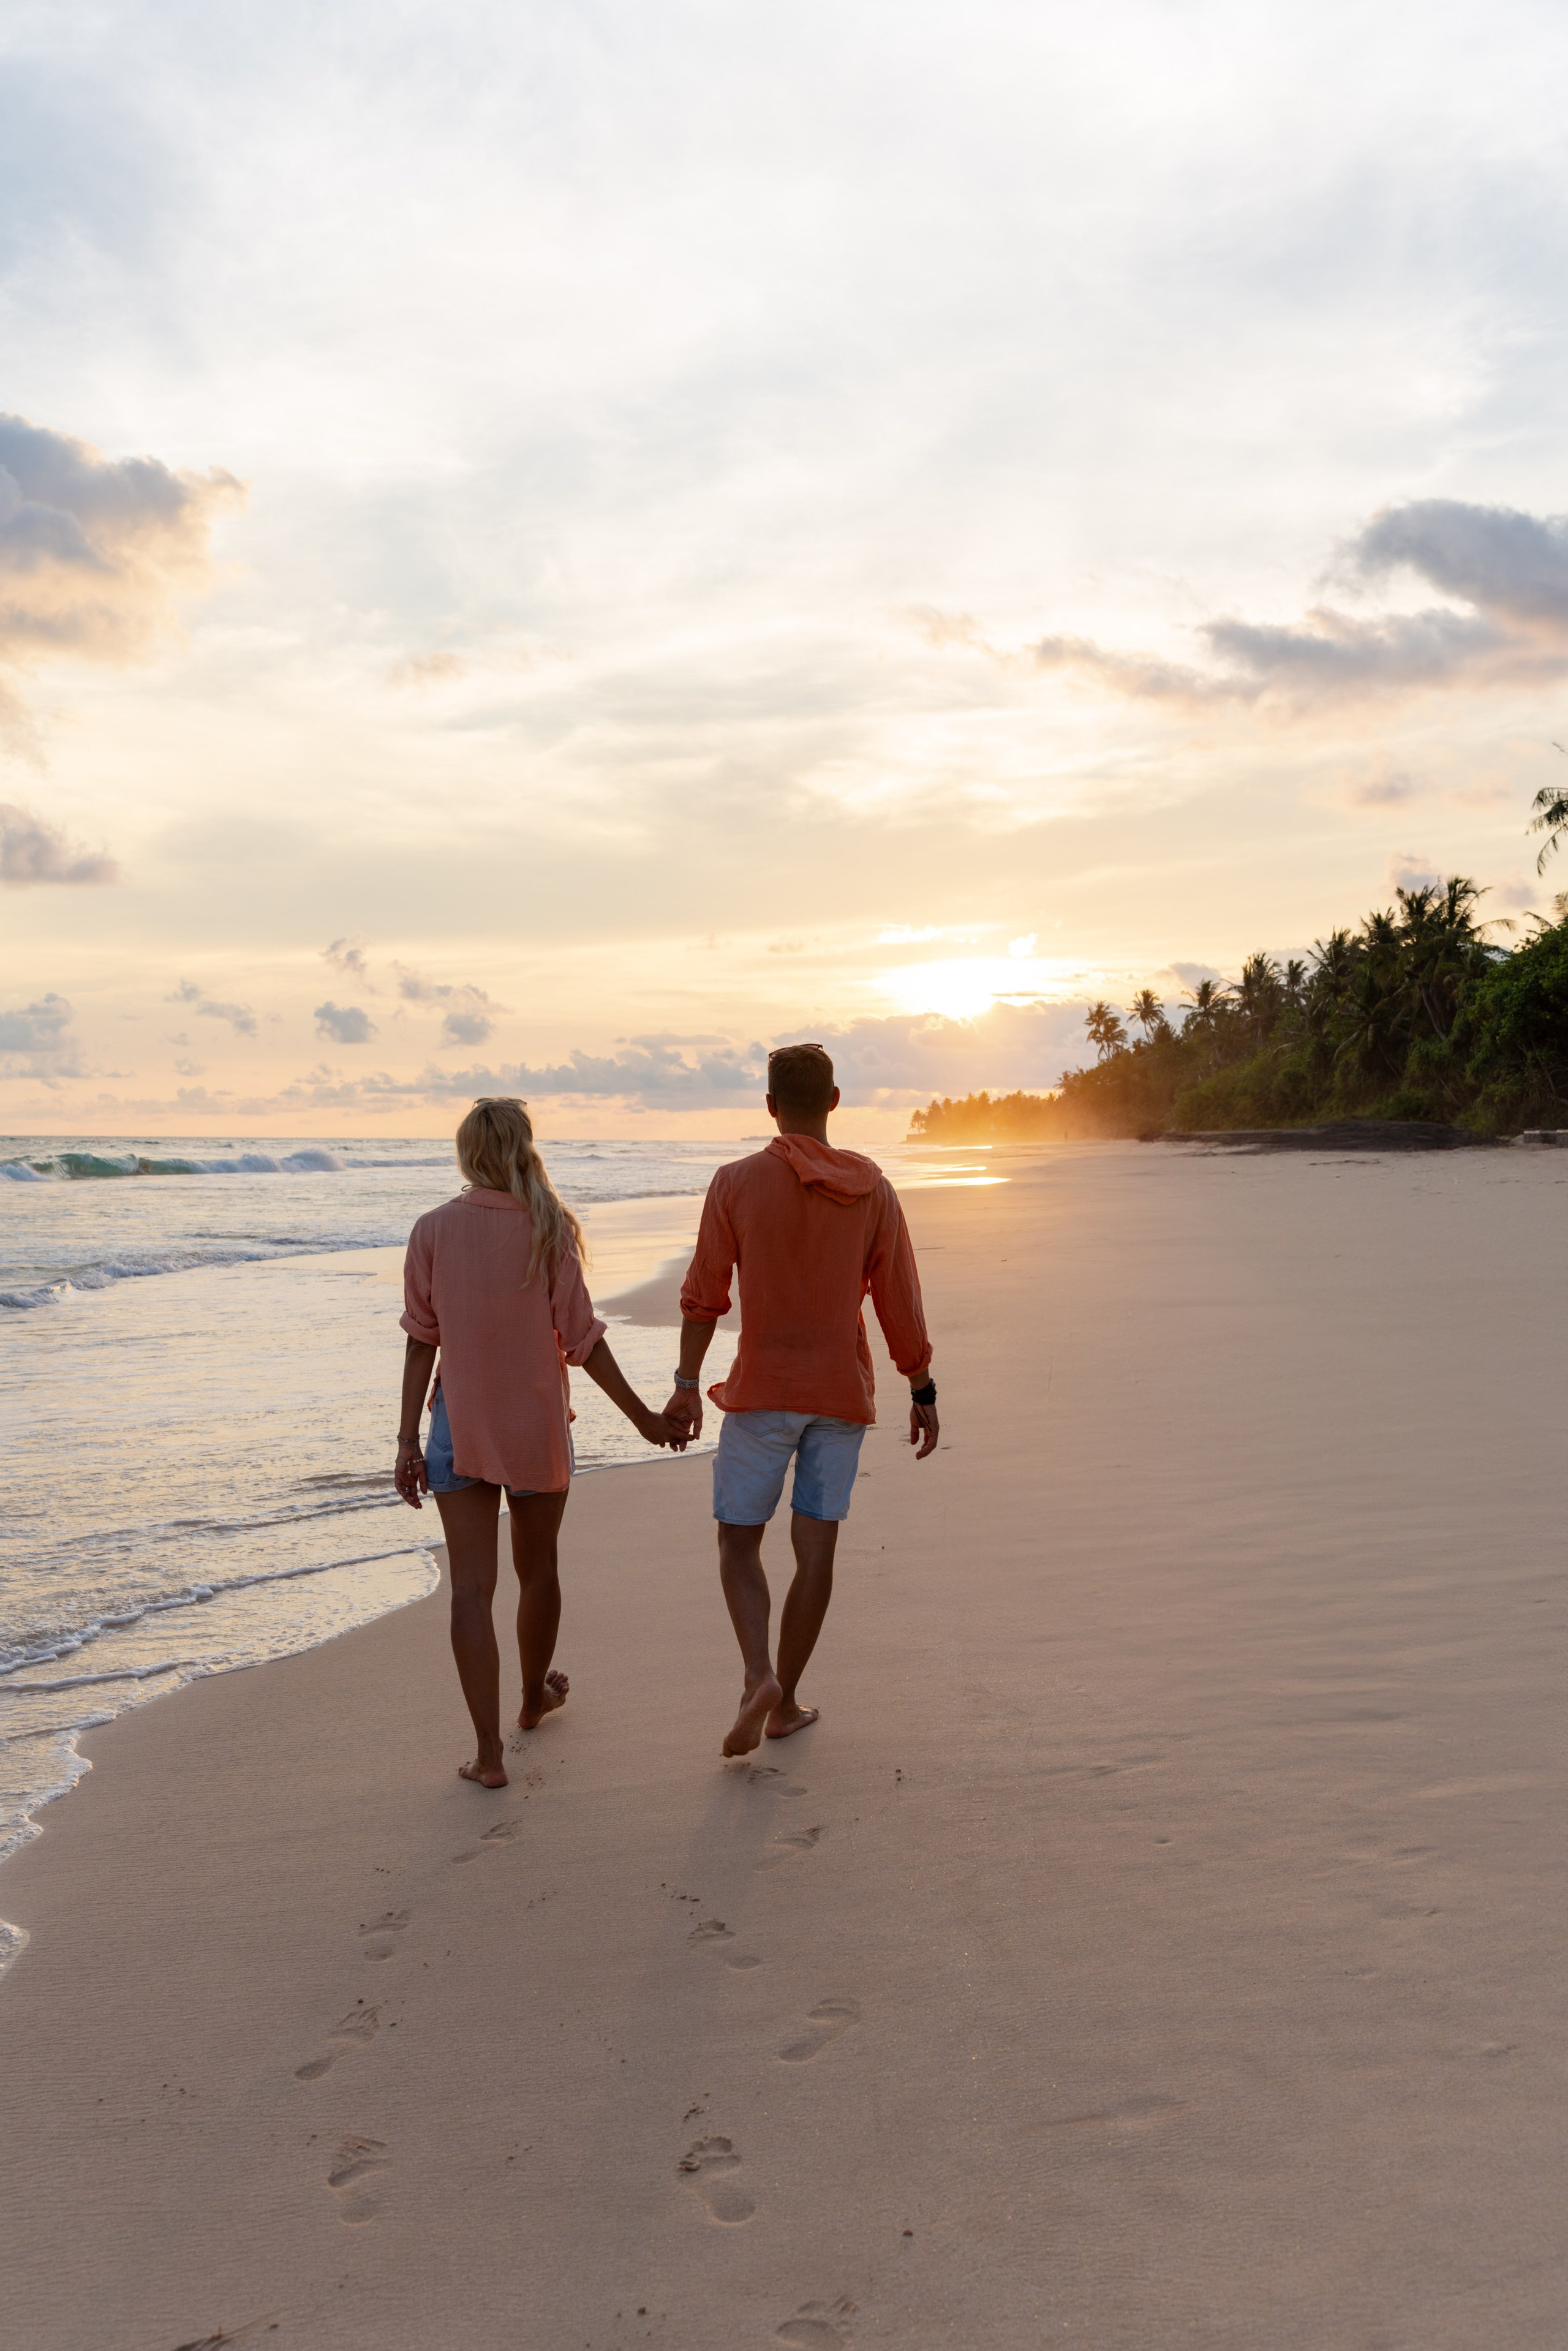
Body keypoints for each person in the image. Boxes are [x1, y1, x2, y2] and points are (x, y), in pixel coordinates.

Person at [665, 1043, 938, 1756]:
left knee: (738, 1540)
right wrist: (920, 1383)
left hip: (762, 1392)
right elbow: (898, 1300)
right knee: (814, 1547)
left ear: (769, 1105)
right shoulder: (873, 1189)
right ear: (835, 1101)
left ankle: (759, 1674)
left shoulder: (734, 1182)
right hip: (840, 1393)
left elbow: (703, 1298)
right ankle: (783, 1703)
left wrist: (687, 1385)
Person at [394, 1096, 673, 1789]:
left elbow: (419, 1341)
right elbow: (584, 1340)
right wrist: (643, 1418)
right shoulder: (547, 1227)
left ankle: (488, 1757)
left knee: (470, 1590)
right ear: (523, 1150)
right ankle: (529, 1701)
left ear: (467, 1154)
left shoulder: (431, 1230)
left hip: (458, 1426)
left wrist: (405, 1440)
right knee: (538, 1570)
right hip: (534, 1426)